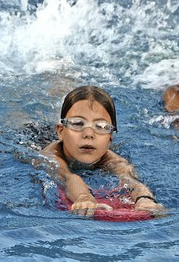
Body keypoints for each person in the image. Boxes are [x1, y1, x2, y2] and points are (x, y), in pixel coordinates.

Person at [42, 86, 165, 216]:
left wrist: (144, 199)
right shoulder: (50, 156)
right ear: (61, 132)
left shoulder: (113, 160)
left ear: (110, 139)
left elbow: (129, 179)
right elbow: (69, 177)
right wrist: (84, 197)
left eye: (101, 126)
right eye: (78, 123)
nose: (89, 134)